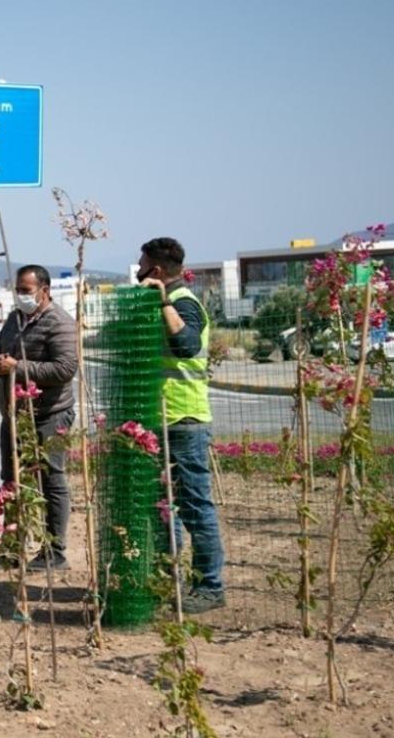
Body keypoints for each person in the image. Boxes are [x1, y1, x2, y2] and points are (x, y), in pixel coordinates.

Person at [137, 237, 226, 613]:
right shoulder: (155, 303)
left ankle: (210, 586)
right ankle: (166, 578)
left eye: (141, 265)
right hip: (158, 419)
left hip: (184, 420)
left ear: (156, 271)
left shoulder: (185, 303)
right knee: (163, 507)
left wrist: (163, 301)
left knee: (194, 506)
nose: (137, 270)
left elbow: (186, 346)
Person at [0, 264, 78, 570]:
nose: (20, 296)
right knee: (12, 480)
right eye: (18, 290)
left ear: (44, 290)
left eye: (26, 291)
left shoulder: (60, 323)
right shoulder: (14, 319)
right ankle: (12, 547)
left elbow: (65, 369)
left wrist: (18, 367)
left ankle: (55, 551)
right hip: (14, 415)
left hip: (49, 414)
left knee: (50, 479)